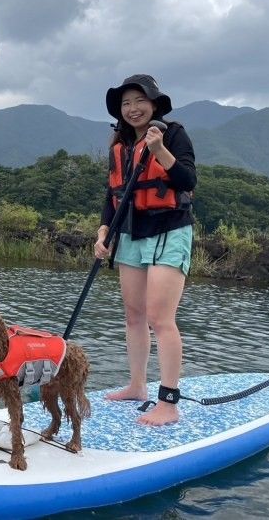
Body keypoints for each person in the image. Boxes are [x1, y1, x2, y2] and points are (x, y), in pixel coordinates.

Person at [94, 74, 196, 426]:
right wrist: (104, 231)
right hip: (131, 235)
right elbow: (113, 197)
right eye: (126, 103)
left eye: (139, 101)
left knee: (159, 318)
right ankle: (137, 386)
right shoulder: (118, 146)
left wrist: (159, 151)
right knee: (133, 316)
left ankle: (168, 402)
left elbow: (187, 181)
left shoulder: (173, 134)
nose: (133, 108)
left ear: (154, 104)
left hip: (169, 230)